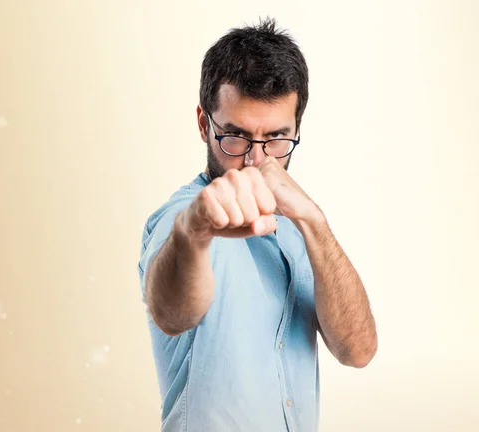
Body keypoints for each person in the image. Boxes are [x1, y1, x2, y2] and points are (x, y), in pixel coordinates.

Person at [138, 17, 377, 432]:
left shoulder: (300, 227)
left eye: (276, 140)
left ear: (297, 129)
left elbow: (357, 351)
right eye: (236, 137)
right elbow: (172, 314)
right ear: (203, 124)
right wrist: (193, 232)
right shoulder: (180, 218)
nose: (255, 160)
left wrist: (314, 222)